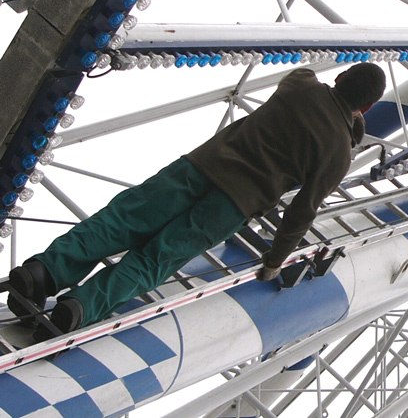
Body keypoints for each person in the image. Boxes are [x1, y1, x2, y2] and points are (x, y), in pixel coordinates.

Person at [6, 64, 386, 337]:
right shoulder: (338, 153)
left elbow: (307, 79)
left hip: (200, 168)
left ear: (340, 77)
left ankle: (43, 272)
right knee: (155, 260)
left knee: (121, 221)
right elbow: (302, 212)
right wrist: (274, 260)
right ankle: (80, 309)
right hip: (233, 205)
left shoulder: (301, 83)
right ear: (365, 108)